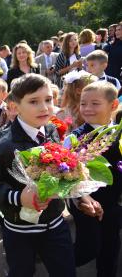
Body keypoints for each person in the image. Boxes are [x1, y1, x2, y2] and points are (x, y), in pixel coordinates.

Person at [0, 74, 76, 277]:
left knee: (65, 271)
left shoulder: (51, 129)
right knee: (22, 272)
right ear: (14, 106)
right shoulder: (4, 144)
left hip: (55, 223)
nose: (44, 108)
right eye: (33, 101)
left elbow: (58, 167)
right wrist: (18, 197)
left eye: (48, 100)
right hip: (19, 230)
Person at [66, 81, 121, 277]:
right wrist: (82, 198)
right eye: (83, 103)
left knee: (110, 248)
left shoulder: (120, 133)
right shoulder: (75, 138)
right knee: (89, 248)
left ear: (113, 105)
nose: (87, 109)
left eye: (95, 103)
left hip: (114, 203)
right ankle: (57, 259)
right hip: (87, 204)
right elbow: (67, 176)